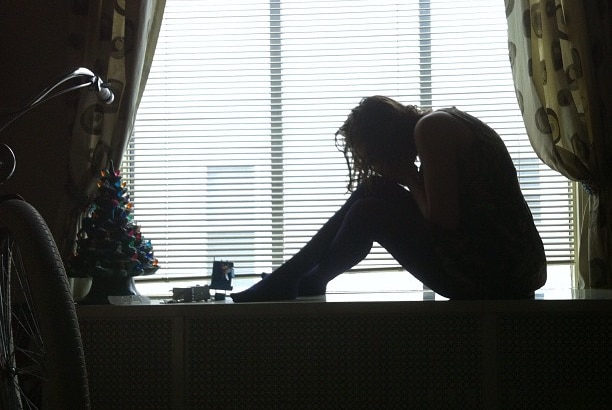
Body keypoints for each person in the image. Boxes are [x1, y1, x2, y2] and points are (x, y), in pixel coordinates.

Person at [231, 96, 547, 302]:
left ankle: (297, 279)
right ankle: (299, 279)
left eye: (375, 159)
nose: (378, 167)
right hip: (508, 266)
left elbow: (444, 220)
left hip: (498, 276)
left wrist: (409, 176)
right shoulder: (444, 122)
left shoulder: (432, 129)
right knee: (373, 193)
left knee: (370, 207)